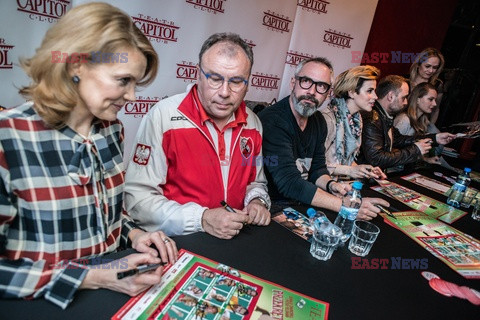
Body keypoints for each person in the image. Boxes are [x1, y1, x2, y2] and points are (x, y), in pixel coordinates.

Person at [0, 3, 178, 309]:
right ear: (75, 66)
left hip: (113, 297)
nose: (133, 96)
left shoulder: (113, 131)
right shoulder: (9, 138)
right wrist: (94, 276)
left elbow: (104, 217)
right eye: (123, 80)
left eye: (136, 83)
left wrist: (133, 234)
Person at [124, 33, 271, 240]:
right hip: (180, 241)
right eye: (215, 78)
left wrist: (256, 201)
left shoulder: (253, 123)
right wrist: (201, 218)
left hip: (235, 239)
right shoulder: (163, 116)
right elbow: (138, 201)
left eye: (236, 81)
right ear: (198, 74)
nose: (224, 92)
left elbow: (255, 182)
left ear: (248, 82)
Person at [258, 57, 389, 220]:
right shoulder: (274, 120)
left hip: (302, 202)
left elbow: (317, 168)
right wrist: (344, 206)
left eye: (321, 86)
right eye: (306, 81)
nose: (312, 92)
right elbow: (289, 183)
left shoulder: (318, 120)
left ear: (328, 94)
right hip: (272, 207)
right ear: (293, 83)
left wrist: (331, 185)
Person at [359, 75, 455, 171]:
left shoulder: (383, 117)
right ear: (391, 96)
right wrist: (415, 150)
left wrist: (434, 138)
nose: (406, 102)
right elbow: (376, 159)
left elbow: (399, 139)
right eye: (403, 98)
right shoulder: (373, 118)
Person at [321, 65, 386, 180]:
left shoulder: (356, 120)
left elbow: (347, 162)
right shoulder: (327, 119)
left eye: (374, 91)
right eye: (369, 91)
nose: (375, 97)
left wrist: (365, 170)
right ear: (351, 92)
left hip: (341, 185)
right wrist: (350, 170)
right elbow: (316, 165)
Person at [394, 82, 456, 170]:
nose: (434, 104)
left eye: (435, 100)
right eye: (430, 99)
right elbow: (393, 149)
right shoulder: (405, 120)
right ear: (417, 99)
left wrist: (426, 159)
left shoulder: (421, 121)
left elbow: (412, 150)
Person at [409, 48, 445, 124]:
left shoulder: (437, 84)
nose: (431, 71)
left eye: (435, 67)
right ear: (418, 64)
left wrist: (430, 128)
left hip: (423, 124)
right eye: (427, 66)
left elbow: (435, 109)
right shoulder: (405, 82)